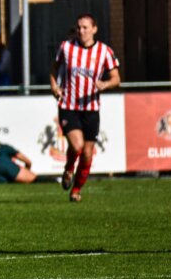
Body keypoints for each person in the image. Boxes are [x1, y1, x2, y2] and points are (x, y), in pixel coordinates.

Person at [49, 14, 120, 202]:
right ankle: (69, 168)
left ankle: (76, 190)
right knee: (77, 145)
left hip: (91, 107)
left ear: (94, 29)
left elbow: (116, 78)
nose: (81, 31)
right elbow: (54, 69)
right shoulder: (67, 47)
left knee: (88, 153)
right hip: (68, 105)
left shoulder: (104, 51)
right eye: (79, 27)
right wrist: (54, 86)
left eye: (85, 27)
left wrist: (105, 85)